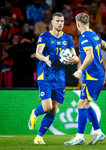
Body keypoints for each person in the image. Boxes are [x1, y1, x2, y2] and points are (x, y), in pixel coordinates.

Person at [28, 12, 79, 144]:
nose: (60, 23)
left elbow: (75, 57)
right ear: (52, 22)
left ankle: (39, 137)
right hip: (45, 75)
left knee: (55, 108)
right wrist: (45, 58)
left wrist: (74, 59)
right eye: (57, 21)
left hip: (60, 77)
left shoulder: (68, 39)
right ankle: (35, 113)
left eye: (62, 21)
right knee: (47, 107)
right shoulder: (44, 36)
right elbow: (38, 53)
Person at [64, 13, 106, 146]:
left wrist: (79, 70)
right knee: (86, 105)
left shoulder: (83, 38)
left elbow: (90, 56)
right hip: (97, 75)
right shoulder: (94, 34)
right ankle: (98, 133)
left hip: (92, 76)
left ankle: (79, 137)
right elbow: (104, 44)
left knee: (81, 105)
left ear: (77, 25)